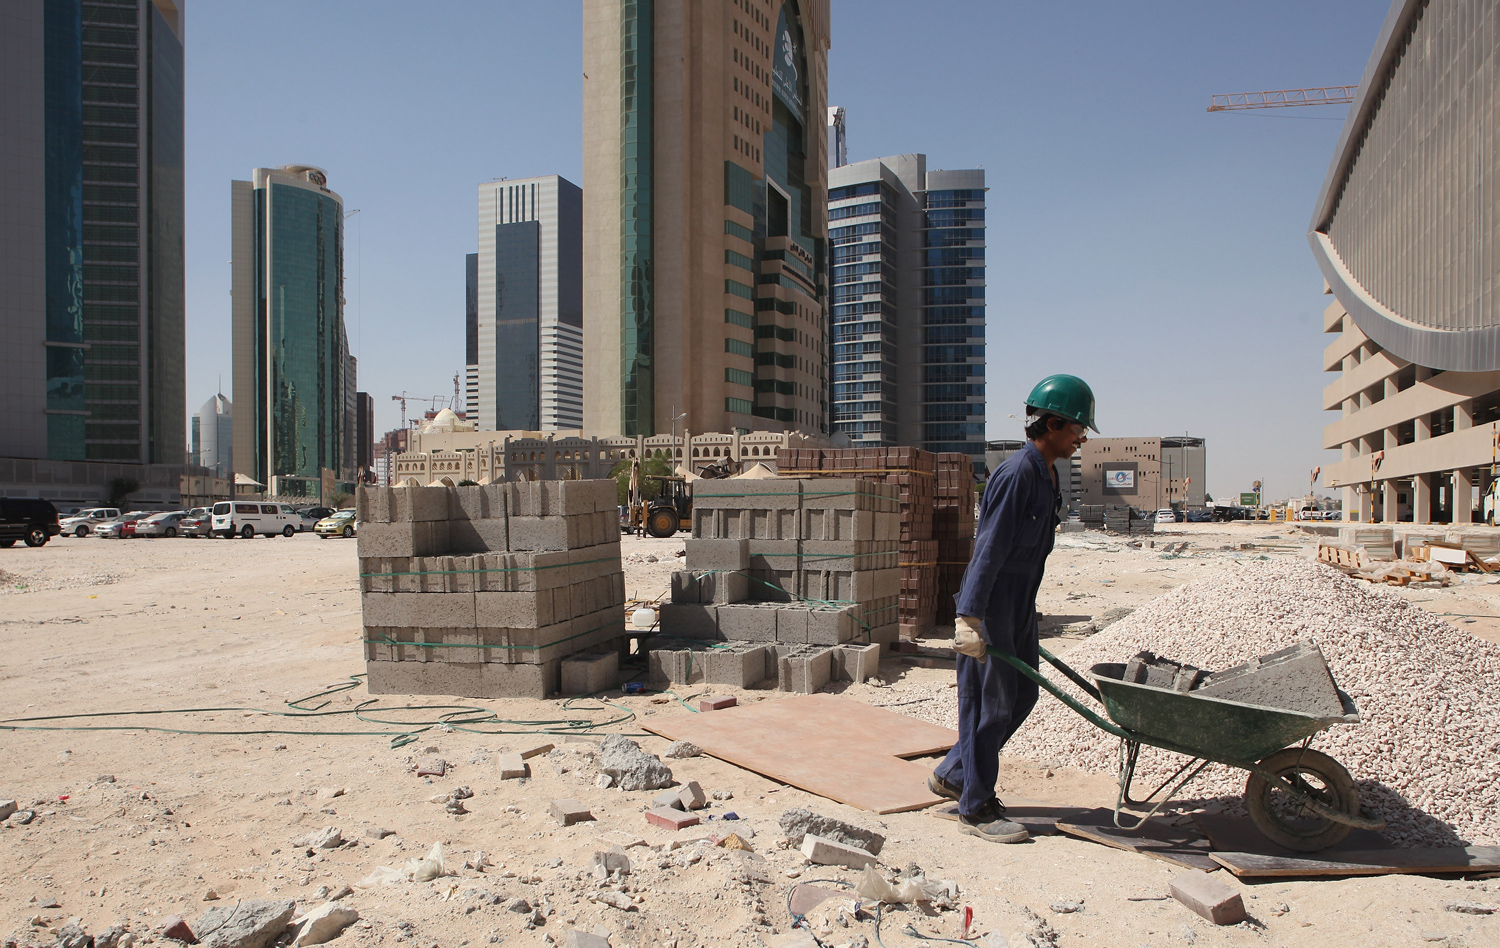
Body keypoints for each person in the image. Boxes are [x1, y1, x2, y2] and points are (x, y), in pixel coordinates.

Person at [931, 374, 1097, 842]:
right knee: (990, 705)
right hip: (994, 602)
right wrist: (969, 615)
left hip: (1022, 602)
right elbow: (989, 547)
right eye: (1076, 429)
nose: (1081, 438)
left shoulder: (1047, 473)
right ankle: (977, 807)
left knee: (1023, 696)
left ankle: (954, 774)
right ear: (1052, 423)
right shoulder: (1017, 473)